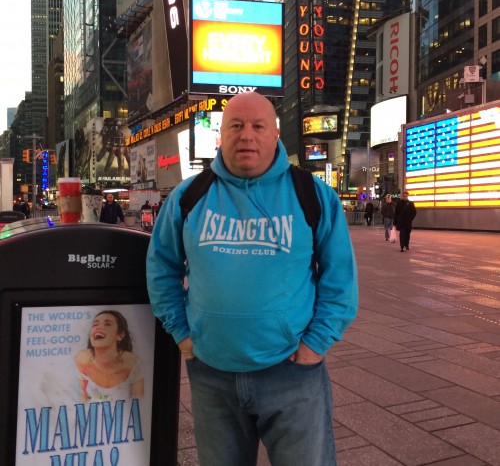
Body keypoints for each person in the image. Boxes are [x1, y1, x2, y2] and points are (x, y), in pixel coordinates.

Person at [146, 92, 358, 466]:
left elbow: (340, 281)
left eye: (258, 126)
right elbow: (161, 268)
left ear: (275, 134)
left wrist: (315, 345)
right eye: (236, 126)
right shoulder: (188, 196)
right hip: (212, 375)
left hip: (292, 374)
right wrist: (182, 334)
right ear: (221, 135)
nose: (247, 136)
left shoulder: (313, 195)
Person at [75, 310, 144, 402]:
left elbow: (140, 403)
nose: (98, 328)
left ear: (120, 335)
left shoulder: (132, 364)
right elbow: (82, 397)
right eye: (95, 325)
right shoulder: (82, 359)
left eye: (107, 324)